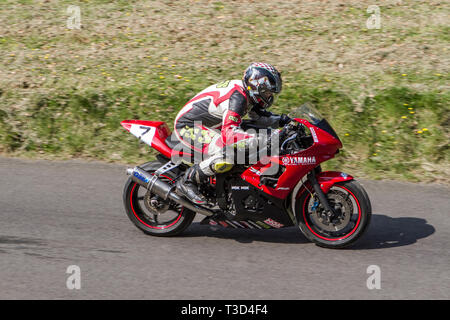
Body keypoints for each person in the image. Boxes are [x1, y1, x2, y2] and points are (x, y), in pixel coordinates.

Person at [173, 62, 291, 204]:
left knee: (255, 136)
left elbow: (261, 118)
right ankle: (187, 180)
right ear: (256, 85)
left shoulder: (248, 94)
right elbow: (229, 135)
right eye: (267, 92)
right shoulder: (238, 98)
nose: (269, 96)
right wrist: (263, 139)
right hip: (188, 126)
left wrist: (285, 121)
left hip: (212, 126)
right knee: (227, 155)